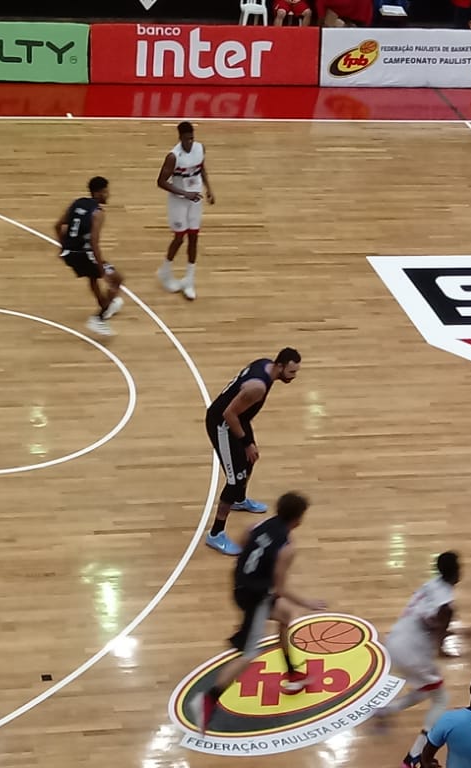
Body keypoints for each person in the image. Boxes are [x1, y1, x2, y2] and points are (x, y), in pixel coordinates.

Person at [188, 492, 326, 734]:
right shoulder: (287, 548)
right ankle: (208, 699)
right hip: (255, 597)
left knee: (286, 616)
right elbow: (280, 588)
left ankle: (292, 673)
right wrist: (308, 602)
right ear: (299, 519)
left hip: (239, 585)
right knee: (249, 654)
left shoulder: (258, 525)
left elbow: (243, 544)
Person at [204, 348, 302, 555]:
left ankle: (239, 500)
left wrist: (249, 445)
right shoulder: (258, 387)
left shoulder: (265, 364)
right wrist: (246, 442)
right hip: (223, 424)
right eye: (292, 372)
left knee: (250, 459)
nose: (294, 377)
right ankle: (216, 534)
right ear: (280, 366)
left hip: (239, 419)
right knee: (234, 480)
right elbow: (229, 414)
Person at [379, 552, 466, 768]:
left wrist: (452, 634)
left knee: (427, 689)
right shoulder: (447, 606)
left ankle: (387, 709)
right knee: (441, 699)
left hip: (395, 639)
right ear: (455, 572)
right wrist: (450, 646)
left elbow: (428, 622)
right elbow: (439, 642)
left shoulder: (431, 584)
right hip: (413, 651)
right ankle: (415, 756)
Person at [54, 176, 124, 337]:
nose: (108, 194)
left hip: (69, 253)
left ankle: (105, 306)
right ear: (98, 193)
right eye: (105, 191)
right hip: (83, 254)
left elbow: (58, 226)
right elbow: (94, 243)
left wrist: (63, 247)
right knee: (117, 279)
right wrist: (102, 268)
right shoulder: (98, 213)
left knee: (92, 277)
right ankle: (99, 318)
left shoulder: (78, 203)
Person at [156, 121, 214, 301]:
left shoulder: (200, 148)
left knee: (194, 237)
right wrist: (184, 193)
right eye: (187, 139)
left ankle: (189, 280)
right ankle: (165, 271)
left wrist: (209, 189)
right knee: (180, 237)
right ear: (180, 138)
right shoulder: (173, 156)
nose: (190, 142)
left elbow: (201, 168)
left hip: (195, 198)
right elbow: (161, 181)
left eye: (192, 138)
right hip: (178, 201)